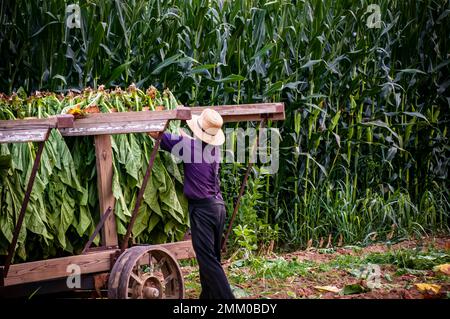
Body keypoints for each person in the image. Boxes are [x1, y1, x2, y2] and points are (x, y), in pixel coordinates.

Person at [148, 108, 235, 299]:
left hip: (203, 209)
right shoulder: (213, 149)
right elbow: (191, 146)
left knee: (208, 260)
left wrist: (146, 120)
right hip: (218, 207)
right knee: (211, 257)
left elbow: (157, 134)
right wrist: (184, 138)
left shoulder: (188, 146)